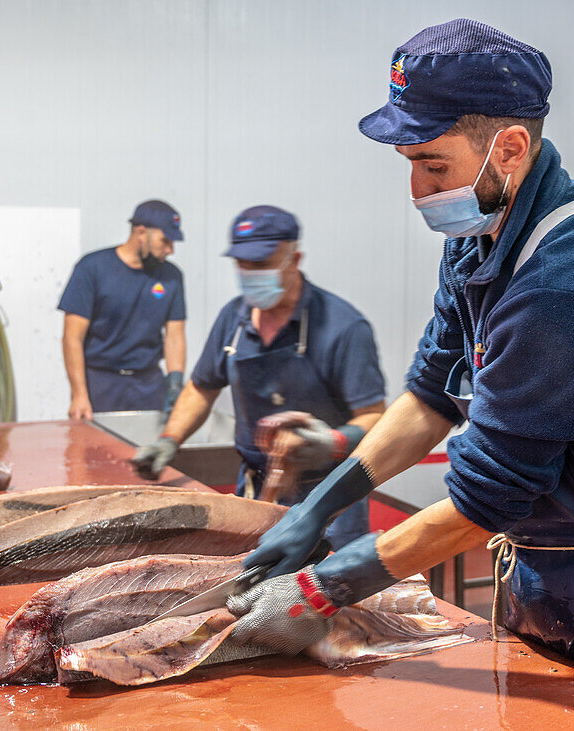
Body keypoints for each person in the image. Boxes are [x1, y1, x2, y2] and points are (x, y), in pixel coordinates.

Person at [223, 20, 574, 730]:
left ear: (511, 148)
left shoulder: (567, 278)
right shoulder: (478, 241)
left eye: (434, 165)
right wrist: (321, 503)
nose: (416, 188)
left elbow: (486, 496)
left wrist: (320, 588)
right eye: (408, 164)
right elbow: (432, 395)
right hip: (542, 560)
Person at [131, 205, 386, 548]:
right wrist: (169, 440)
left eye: (262, 264)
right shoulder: (233, 319)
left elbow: (375, 417)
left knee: (319, 593)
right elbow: (202, 388)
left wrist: (330, 442)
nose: (251, 274)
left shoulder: (343, 327)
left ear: (294, 259)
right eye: (243, 265)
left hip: (329, 496)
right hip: (256, 490)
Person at [58, 199, 187, 419]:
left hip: (149, 385)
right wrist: (80, 394)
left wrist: (175, 384)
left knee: (148, 451)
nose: (170, 250)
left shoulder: (172, 277)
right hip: (101, 384)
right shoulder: (92, 268)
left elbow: (174, 336)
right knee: (96, 451)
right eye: (164, 241)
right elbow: (72, 338)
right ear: (141, 232)